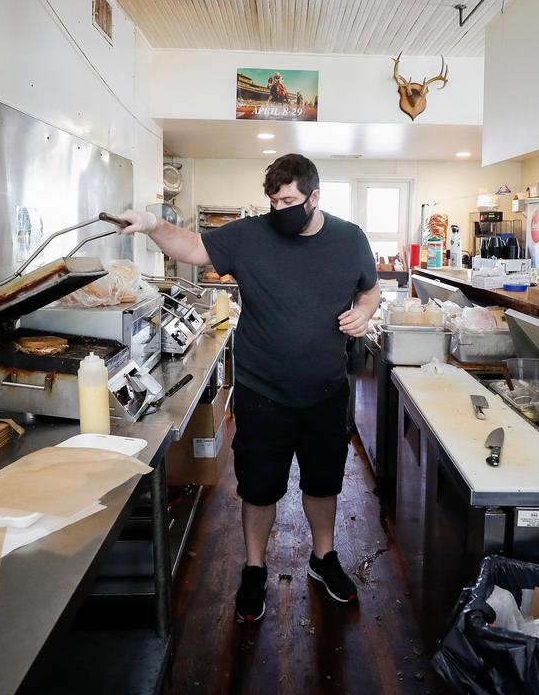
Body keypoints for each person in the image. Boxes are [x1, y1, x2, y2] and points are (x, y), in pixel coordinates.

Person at [117, 153, 380, 623]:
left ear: (314, 197)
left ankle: (323, 559)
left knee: (323, 484)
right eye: (274, 200)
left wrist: (365, 311)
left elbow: (370, 289)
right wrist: (151, 223)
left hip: (325, 392)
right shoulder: (250, 235)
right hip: (263, 393)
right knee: (259, 490)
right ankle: (255, 570)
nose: (279, 208)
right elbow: (192, 248)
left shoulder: (349, 238)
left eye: (289, 200)